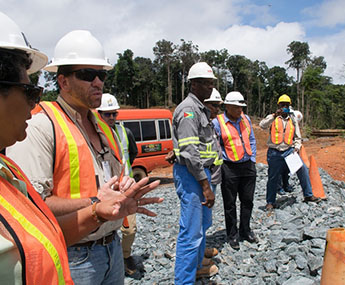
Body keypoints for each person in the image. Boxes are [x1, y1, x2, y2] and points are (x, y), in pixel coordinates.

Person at [0, 12, 162, 284]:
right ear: (62, 81)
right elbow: (32, 206)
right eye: (87, 75)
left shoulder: (103, 124)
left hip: (110, 246)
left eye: (101, 75)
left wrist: (121, 195)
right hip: (75, 255)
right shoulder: (40, 125)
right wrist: (96, 204)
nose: (98, 82)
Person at [173, 62, 219, 283]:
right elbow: (190, 153)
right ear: (193, 84)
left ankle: (197, 267)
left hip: (202, 175)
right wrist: (205, 186)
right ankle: (184, 281)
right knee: (191, 234)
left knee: (202, 226)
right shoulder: (188, 110)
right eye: (206, 83)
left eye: (211, 83)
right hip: (192, 176)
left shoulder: (200, 109)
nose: (210, 87)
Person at [97, 93, 143, 279]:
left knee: (129, 229)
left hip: (125, 191)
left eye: (114, 114)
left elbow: (132, 153)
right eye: (107, 114)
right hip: (101, 193)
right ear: (98, 113)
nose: (111, 118)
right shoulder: (90, 133)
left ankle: (125, 257)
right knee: (103, 231)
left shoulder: (125, 132)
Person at [212, 91, 258, 250]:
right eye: (237, 107)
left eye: (241, 107)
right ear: (228, 106)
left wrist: (252, 159)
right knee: (230, 204)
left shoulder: (246, 119)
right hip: (229, 168)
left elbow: (252, 139)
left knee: (248, 201)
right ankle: (232, 235)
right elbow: (216, 146)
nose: (240, 110)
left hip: (247, 166)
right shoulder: (218, 122)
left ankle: (245, 230)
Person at [259, 94, 320, 212]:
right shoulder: (272, 118)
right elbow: (262, 125)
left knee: (302, 170)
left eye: (286, 105)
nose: (284, 107)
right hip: (274, 152)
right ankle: (270, 202)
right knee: (273, 177)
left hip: (288, 151)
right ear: (278, 106)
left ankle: (308, 195)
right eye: (282, 105)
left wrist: (296, 148)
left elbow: (298, 137)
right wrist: (274, 115)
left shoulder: (293, 119)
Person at [276, 108, 303, 195]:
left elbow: (296, 136)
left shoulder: (293, 121)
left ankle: (285, 185)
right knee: (279, 170)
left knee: (287, 170)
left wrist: (296, 147)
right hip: (280, 149)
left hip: (290, 149)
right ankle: (279, 187)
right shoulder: (279, 121)